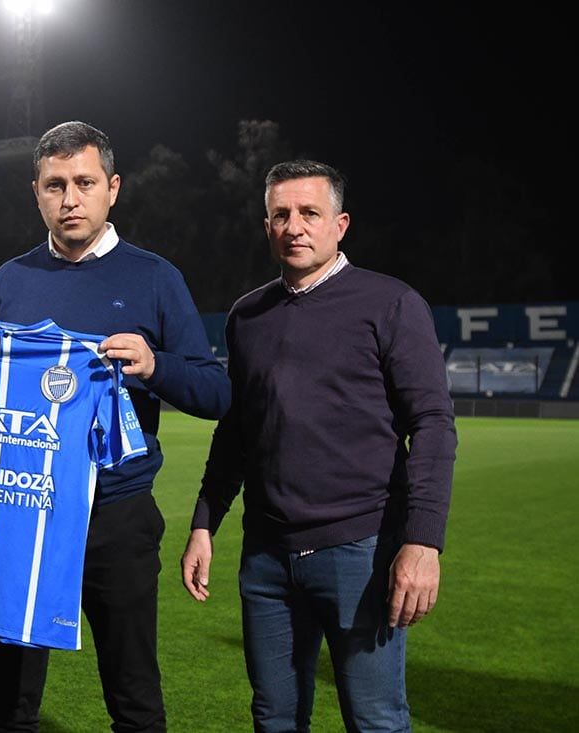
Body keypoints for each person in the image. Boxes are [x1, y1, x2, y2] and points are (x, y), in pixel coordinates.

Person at [0, 121, 231, 732]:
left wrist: (155, 365)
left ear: (112, 189)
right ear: (36, 193)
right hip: (21, 510)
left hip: (116, 516)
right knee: (9, 703)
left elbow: (216, 392)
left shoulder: (154, 277)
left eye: (84, 183)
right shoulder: (10, 281)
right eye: (55, 185)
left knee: (135, 698)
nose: (70, 198)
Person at [180, 160, 457, 732]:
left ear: (340, 224)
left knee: (375, 721)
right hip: (266, 558)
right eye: (281, 215)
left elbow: (433, 423)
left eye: (310, 213)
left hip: (361, 551)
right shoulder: (247, 315)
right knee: (274, 719)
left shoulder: (391, 303)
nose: (295, 226)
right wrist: (205, 520)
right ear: (267, 227)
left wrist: (423, 541)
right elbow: (236, 430)